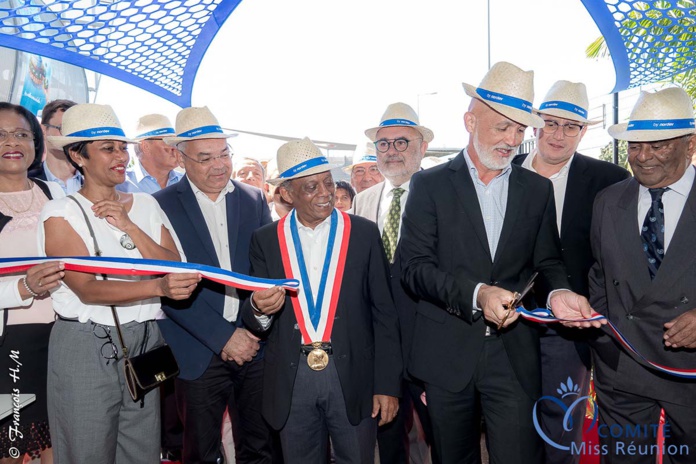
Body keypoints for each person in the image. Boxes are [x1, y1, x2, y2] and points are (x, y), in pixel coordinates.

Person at [399, 62, 594, 464]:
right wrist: (478, 294)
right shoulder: (429, 185)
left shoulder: (535, 189)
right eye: (502, 126)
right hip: (447, 354)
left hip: (513, 355)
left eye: (520, 129)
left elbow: (547, 259)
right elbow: (413, 267)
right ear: (470, 120)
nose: (512, 139)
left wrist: (558, 292)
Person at [39, 103, 201, 464]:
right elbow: (88, 289)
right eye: (108, 148)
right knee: (86, 452)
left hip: (144, 341)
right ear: (78, 156)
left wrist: (129, 225)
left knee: (141, 452)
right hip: (85, 344)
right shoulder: (61, 212)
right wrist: (157, 288)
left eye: (122, 147)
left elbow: (174, 264)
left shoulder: (144, 204)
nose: (121, 156)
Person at [242, 137, 402, 464]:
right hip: (292, 376)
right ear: (286, 193)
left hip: (353, 374)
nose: (326, 193)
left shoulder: (363, 233)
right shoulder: (266, 240)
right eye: (312, 187)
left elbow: (385, 314)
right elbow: (254, 315)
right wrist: (259, 308)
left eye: (328, 183)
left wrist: (387, 384)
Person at [513, 80, 629, 463]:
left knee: (562, 424)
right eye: (551, 123)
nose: (558, 135)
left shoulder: (609, 180)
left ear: (583, 131)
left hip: (571, 326)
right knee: (510, 422)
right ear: (535, 125)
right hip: (507, 322)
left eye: (571, 126)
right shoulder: (502, 171)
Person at [154, 106, 276, 464]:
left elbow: (263, 272)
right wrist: (224, 337)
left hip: (254, 346)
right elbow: (164, 282)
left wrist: (251, 332)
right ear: (181, 158)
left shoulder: (253, 200)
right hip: (196, 350)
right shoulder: (158, 206)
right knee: (201, 452)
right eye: (205, 157)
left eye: (224, 154)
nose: (219, 165)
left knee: (259, 447)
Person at [585, 87, 696, 463]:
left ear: (690, 144)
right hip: (623, 372)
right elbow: (600, 277)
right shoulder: (608, 201)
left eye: (658, 145)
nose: (642, 157)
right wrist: (606, 345)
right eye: (634, 145)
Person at [354, 102, 438, 464]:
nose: (392, 151)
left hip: (431, 340)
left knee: (443, 434)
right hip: (382, 345)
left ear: (422, 147)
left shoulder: (442, 194)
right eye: (384, 144)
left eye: (402, 142)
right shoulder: (362, 200)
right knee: (389, 437)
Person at [0, 102, 66, 464]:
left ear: (36, 143)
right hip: (9, 347)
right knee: (10, 449)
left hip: (63, 340)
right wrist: (23, 289)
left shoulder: (56, 196)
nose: (12, 142)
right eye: (0, 134)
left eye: (22, 134)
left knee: (60, 447)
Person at [118, 114, 183, 193]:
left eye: (174, 142)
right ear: (145, 147)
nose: (175, 147)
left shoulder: (187, 183)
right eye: (167, 141)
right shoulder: (121, 186)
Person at [29, 99, 82, 194]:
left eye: (76, 130)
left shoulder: (96, 181)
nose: (70, 136)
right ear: (43, 130)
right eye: (63, 128)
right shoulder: (26, 180)